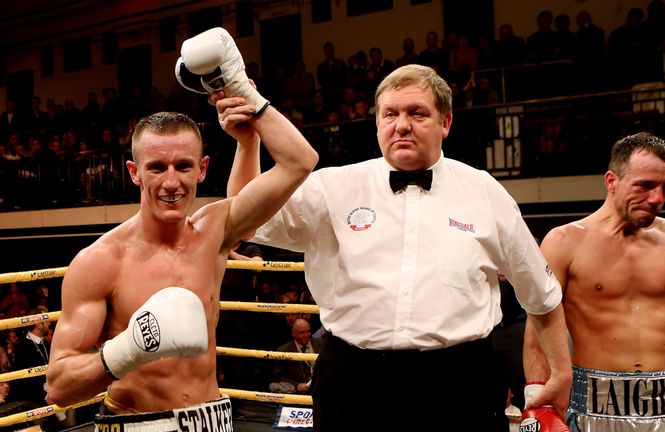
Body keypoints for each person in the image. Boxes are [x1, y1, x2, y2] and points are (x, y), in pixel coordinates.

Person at [224, 63, 571, 431]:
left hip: (459, 381)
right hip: (353, 380)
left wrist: (561, 372)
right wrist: (249, 142)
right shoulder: (333, 187)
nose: (401, 124)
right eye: (390, 114)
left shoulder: (484, 192)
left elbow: (542, 293)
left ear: (446, 123)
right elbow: (247, 218)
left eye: (417, 113)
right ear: (377, 124)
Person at [45, 84, 318, 431]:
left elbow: (300, 161)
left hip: (213, 420)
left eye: (183, 166)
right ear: (134, 172)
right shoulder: (100, 261)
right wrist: (127, 350)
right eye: (157, 167)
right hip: (137, 422)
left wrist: (251, 110)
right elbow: (59, 387)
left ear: (202, 169)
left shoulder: (216, 230)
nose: (171, 182)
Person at [524, 132, 665, 431]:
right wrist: (537, 396)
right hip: (593, 406)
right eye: (645, 185)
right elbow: (539, 324)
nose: (657, 198)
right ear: (612, 181)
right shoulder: (565, 242)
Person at [270, 318, 325, 394]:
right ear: (293, 333)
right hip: (297, 392)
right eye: (302, 333)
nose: (306, 335)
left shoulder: (321, 344)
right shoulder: (284, 350)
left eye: (308, 331)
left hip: (321, 388)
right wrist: (297, 385)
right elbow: (278, 377)